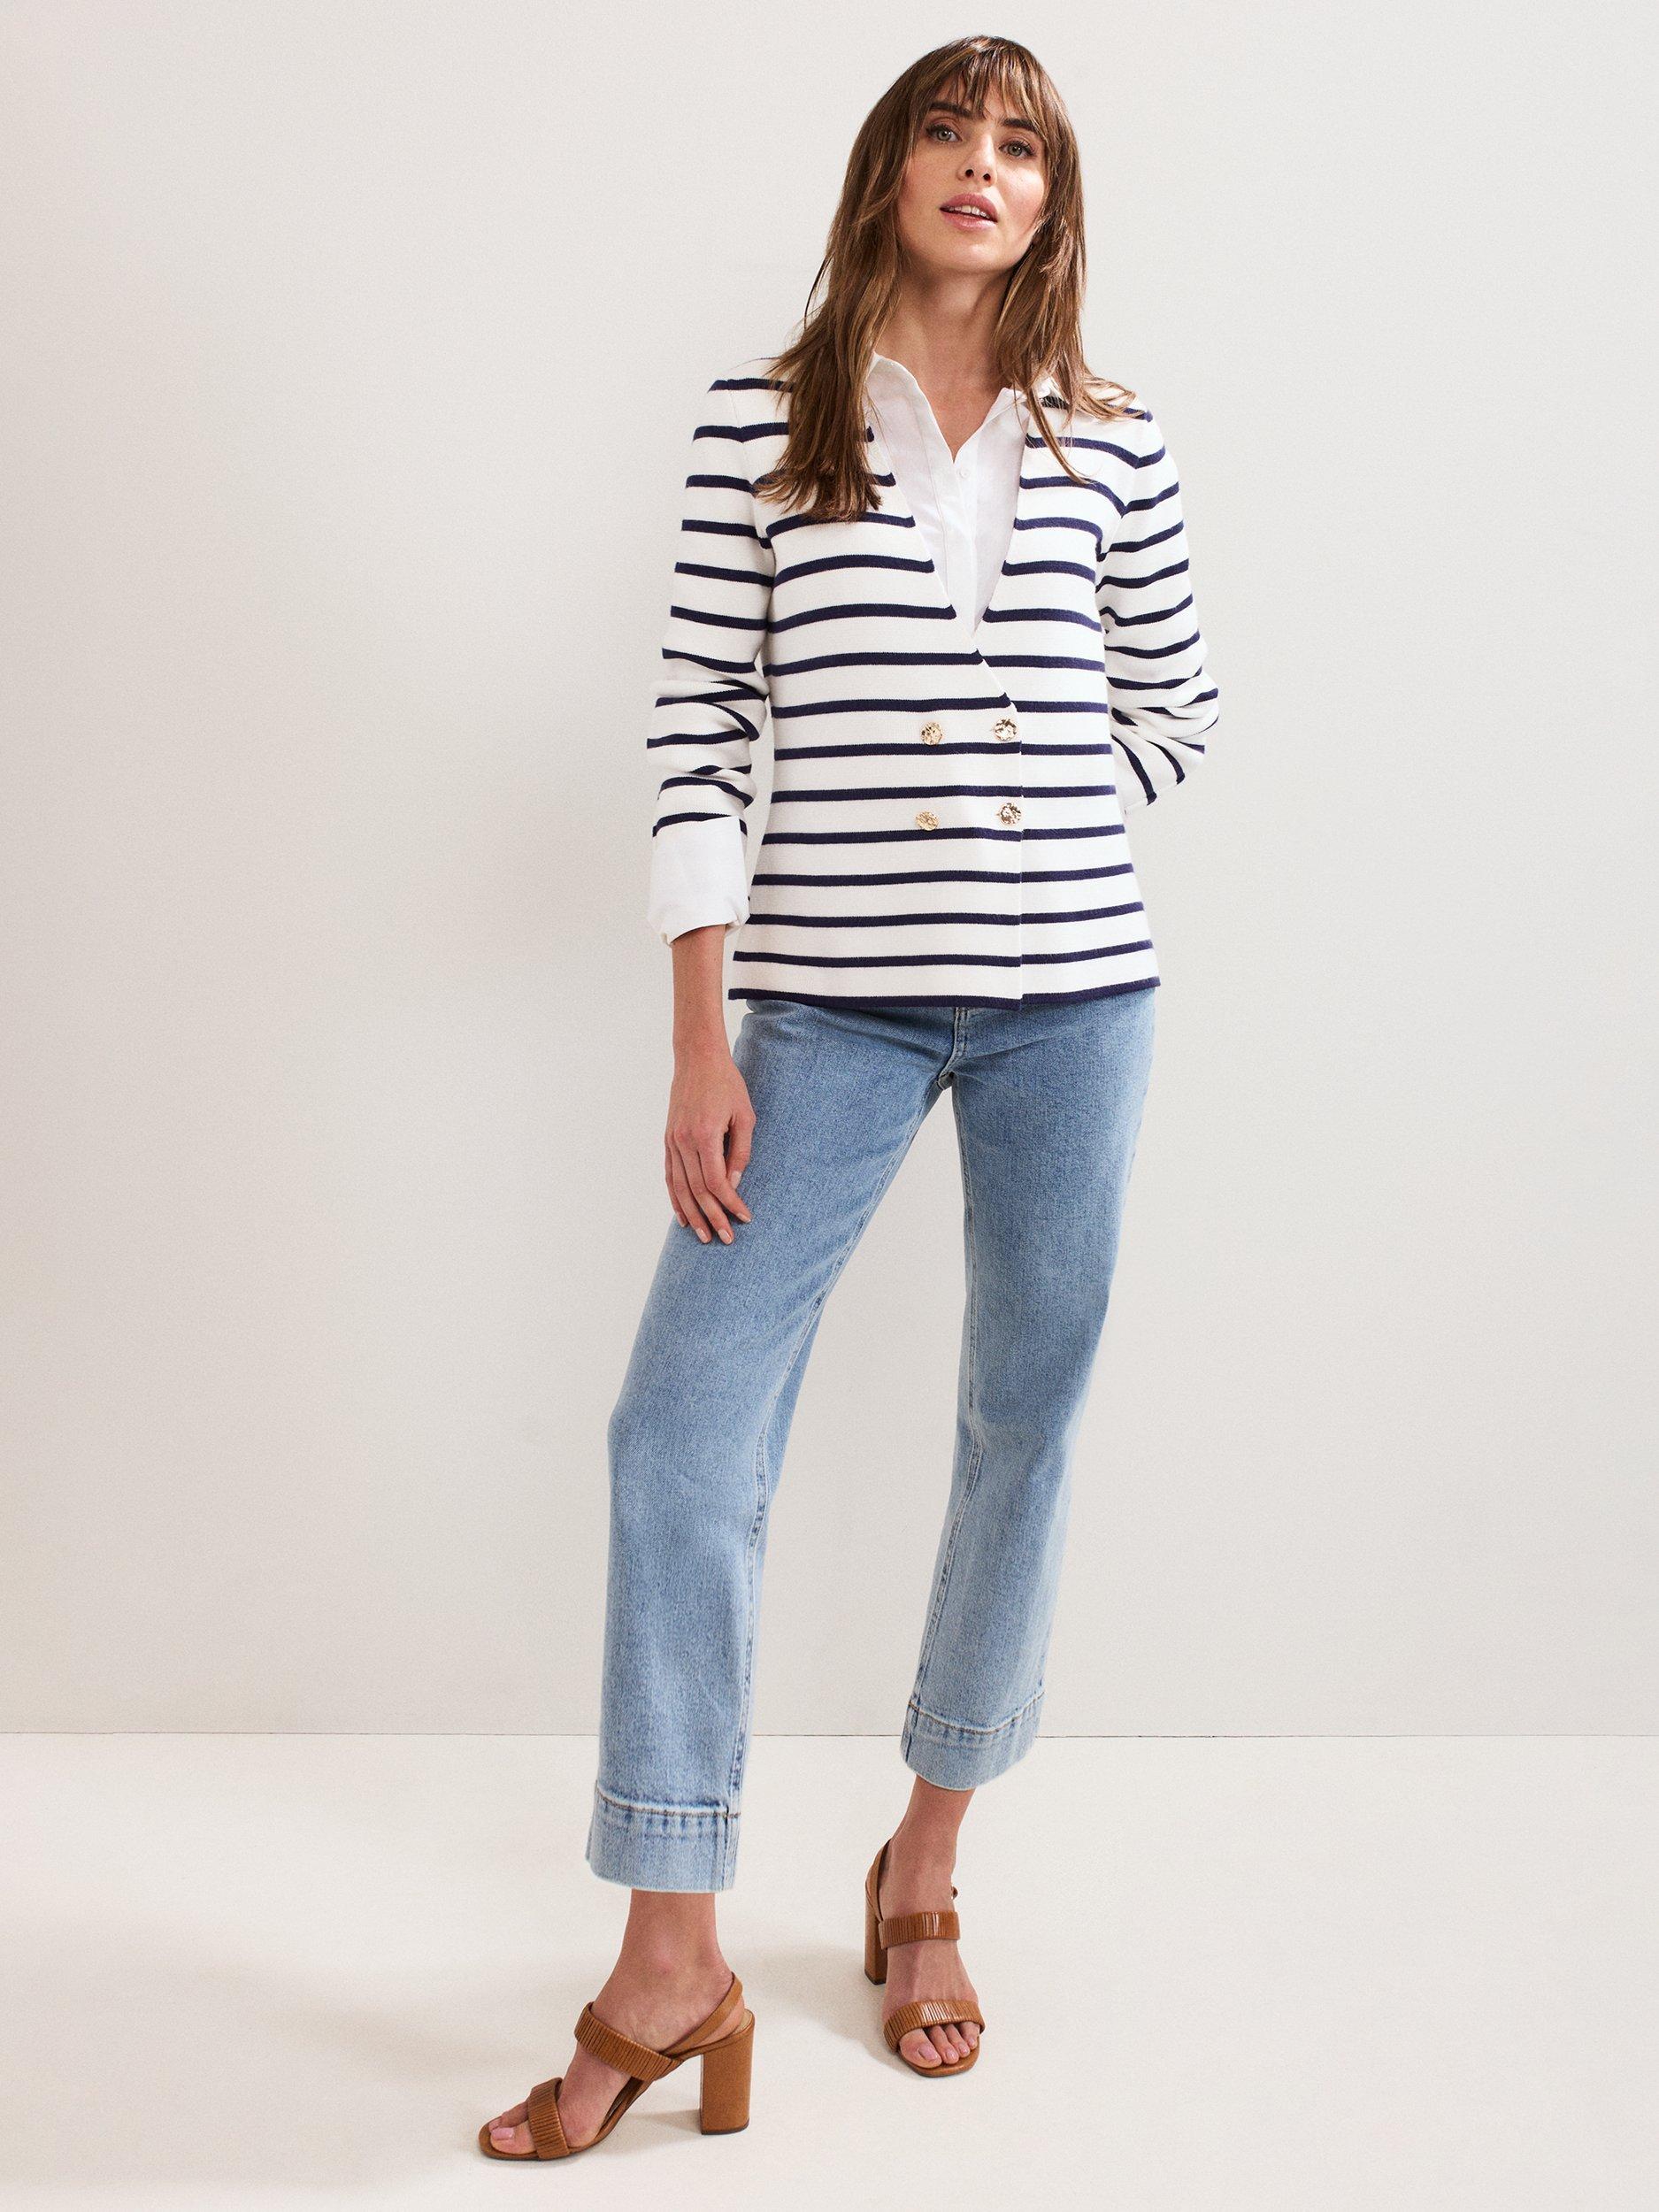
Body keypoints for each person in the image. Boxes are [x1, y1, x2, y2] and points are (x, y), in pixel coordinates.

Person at [480, 31, 1218, 2162]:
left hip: (1075, 1005)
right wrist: (698, 1032)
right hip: (821, 1013)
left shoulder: (1114, 435)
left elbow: (1174, 708)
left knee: (1019, 1415)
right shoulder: (765, 418)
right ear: (885, 169)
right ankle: (669, 1949)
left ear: (1051, 197)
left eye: (1019, 143)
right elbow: (698, 729)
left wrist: (1028, 815)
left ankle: (922, 1862)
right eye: (945, 130)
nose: (980, 165)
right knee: (677, 1430)